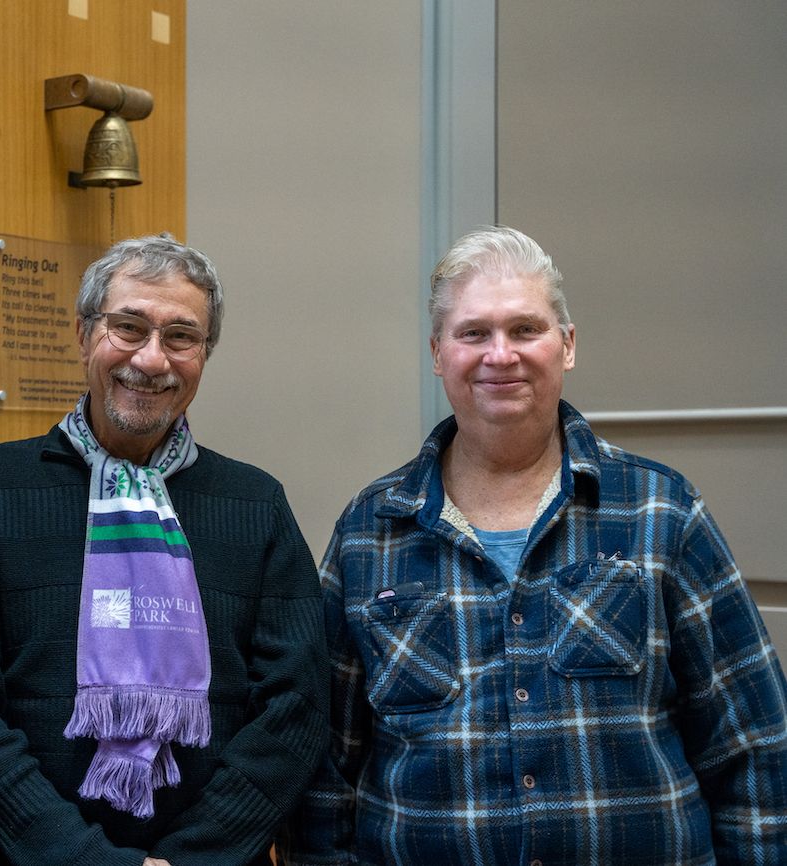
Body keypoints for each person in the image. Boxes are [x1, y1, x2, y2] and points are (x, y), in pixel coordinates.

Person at [279, 225, 787, 865]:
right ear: (438, 352)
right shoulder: (369, 532)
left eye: (525, 329)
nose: (501, 354)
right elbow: (325, 771)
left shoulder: (660, 510)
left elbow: (754, 744)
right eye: (473, 333)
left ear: (567, 346)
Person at [0, 234, 328, 865]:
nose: (151, 358)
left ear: (204, 354)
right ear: (85, 335)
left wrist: (193, 858)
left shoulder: (257, 505)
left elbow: (296, 710)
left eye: (181, 337)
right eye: (128, 327)